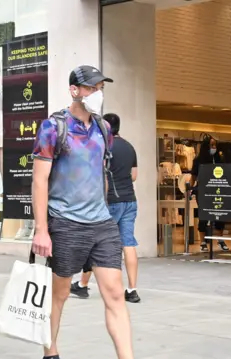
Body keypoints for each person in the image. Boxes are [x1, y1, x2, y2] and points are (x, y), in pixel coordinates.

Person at [32, 66, 133, 359]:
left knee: (115, 293)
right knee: (59, 294)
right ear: (74, 90)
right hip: (66, 222)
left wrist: (102, 206)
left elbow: (100, 171)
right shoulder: (53, 127)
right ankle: (51, 353)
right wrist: (42, 229)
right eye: (91, 87)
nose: (96, 93)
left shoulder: (103, 129)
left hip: (102, 223)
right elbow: (39, 180)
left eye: (100, 88)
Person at [70, 113, 141, 303]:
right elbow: (134, 176)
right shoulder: (129, 147)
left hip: (109, 201)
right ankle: (132, 290)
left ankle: (83, 285)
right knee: (129, 243)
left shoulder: (102, 146)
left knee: (95, 242)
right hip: (130, 200)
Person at [189, 137, 229, 252]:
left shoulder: (219, 159)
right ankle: (203, 241)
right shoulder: (198, 160)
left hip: (217, 189)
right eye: (212, 145)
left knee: (220, 215)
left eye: (215, 145)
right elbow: (194, 176)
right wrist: (190, 189)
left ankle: (220, 239)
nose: (214, 148)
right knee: (203, 215)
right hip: (203, 190)